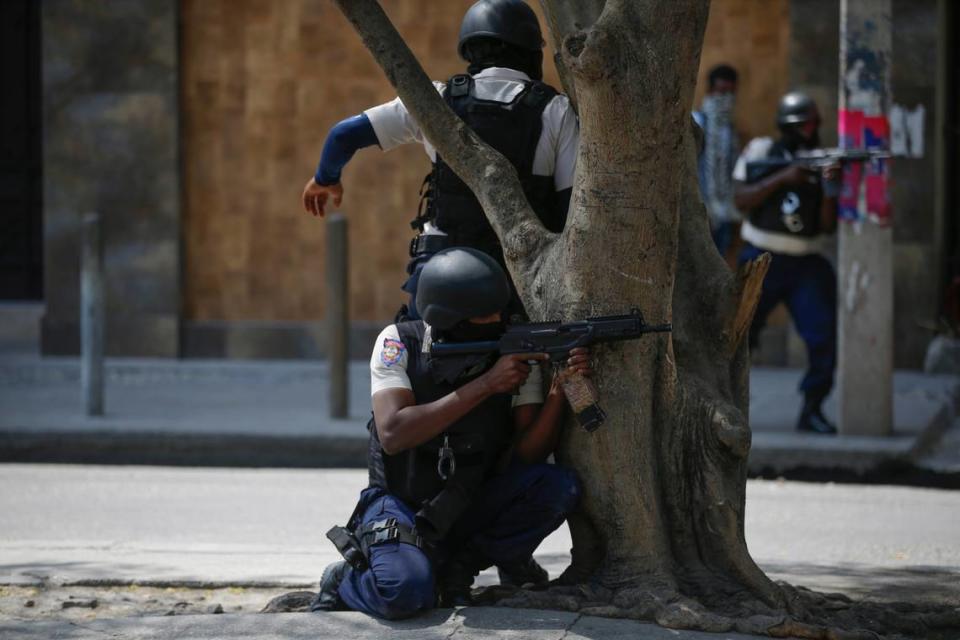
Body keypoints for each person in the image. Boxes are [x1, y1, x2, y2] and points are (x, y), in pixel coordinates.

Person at [311, 248, 585, 619]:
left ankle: (458, 571)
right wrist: (487, 385)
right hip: (400, 502)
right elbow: (393, 433)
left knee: (556, 485)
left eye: (498, 312)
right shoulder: (398, 343)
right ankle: (344, 580)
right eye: (482, 316)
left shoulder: (513, 348)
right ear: (448, 318)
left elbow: (528, 455)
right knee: (404, 593)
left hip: (469, 497)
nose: (496, 320)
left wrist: (559, 390)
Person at [301, 0, 579, 320]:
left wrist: (325, 179)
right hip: (520, 288)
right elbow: (569, 207)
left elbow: (342, 136)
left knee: (424, 360)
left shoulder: (437, 100)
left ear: (469, 50)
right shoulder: (556, 111)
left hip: (440, 279)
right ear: (532, 52)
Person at [733, 91, 840, 435]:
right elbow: (741, 199)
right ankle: (731, 407)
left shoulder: (822, 158)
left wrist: (830, 189)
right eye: (804, 124)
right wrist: (784, 177)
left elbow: (827, 225)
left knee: (822, 337)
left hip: (806, 262)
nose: (811, 130)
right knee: (737, 337)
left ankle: (812, 409)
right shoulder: (763, 152)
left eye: (814, 124)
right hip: (760, 259)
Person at [693, 64, 741, 258]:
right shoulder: (697, 122)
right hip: (700, 213)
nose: (726, 98)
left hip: (725, 212)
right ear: (711, 90)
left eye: (731, 92)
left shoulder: (730, 130)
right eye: (722, 91)